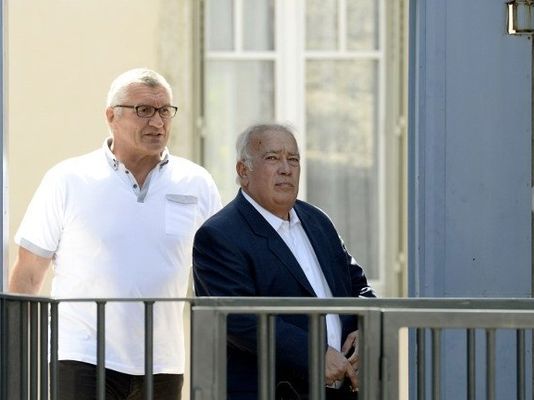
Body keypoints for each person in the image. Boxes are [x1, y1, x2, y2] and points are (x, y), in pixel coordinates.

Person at [8, 68, 222, 400]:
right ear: (111, 116)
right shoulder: (67, 178)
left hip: (163, 361)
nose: (158, 122)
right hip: (80, 355)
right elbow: (29, 272)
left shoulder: (196, 182)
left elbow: (217, 272)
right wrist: (19, 357)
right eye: (144, 111)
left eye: (165, 110)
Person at [192, 123, 375, 400]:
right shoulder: (218, 235)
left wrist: (364, 327)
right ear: (243, 172)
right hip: (274, 389)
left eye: (293, 159)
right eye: (272, 158)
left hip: (343, 389)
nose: (286, 168)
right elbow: (240, 320)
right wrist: (315, 355)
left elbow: (359, 286)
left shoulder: (318, 221)